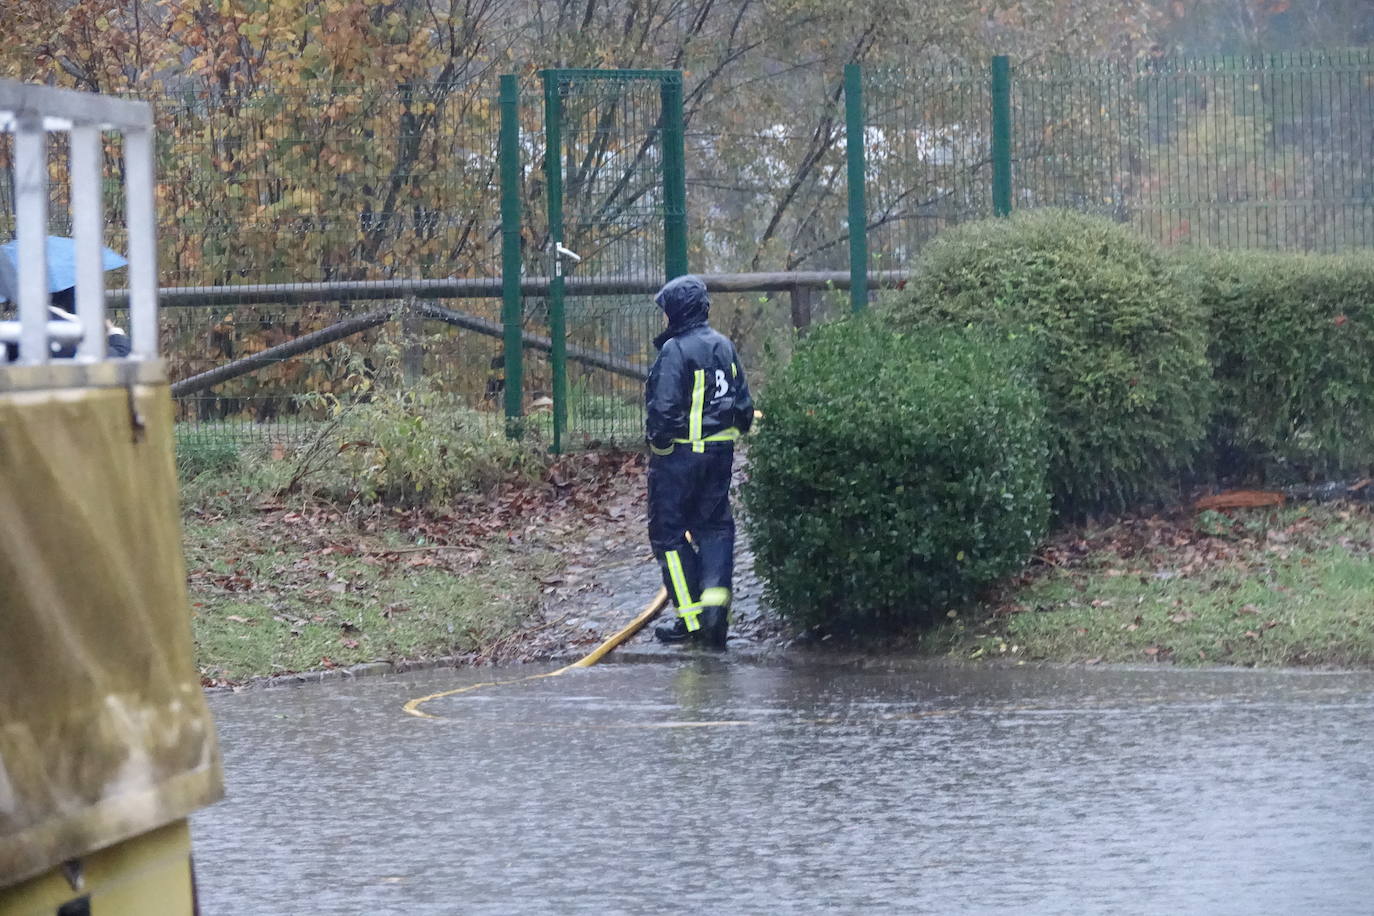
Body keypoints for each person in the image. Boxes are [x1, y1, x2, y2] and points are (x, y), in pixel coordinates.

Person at [645, 274, 753, 649]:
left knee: (668, 535)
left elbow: (663, 410)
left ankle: (690, 620)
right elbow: (744, 407)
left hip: (679, 458)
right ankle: (715, 619)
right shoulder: (724, 346)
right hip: (720, 456)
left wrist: (659, 447)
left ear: (678, 311)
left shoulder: (675, 350)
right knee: (716, 529)